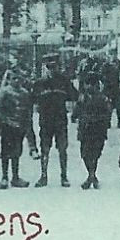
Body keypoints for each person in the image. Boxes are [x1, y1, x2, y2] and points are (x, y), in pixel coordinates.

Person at [33, 53, 79, 187]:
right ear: (46, 67)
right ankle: (43, 176)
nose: (52, 70)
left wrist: (71, 108)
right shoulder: (39, 83)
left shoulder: (64, 81)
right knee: (45, 149)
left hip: (60, 120)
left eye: (54, 67)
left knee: (62, 149)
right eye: (49, 67)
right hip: (46, 121)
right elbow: (33, 101)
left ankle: (64, 176)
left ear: (58, 67)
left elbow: (75, 97)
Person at [0, 62, 34, 188]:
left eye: (19, 79)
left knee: (17, 152)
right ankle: (4, 177)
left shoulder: (25, 93)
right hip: (7, 126)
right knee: (6, 152)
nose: (16, 81)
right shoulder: (4, 92)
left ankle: (15, 177)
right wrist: (7, 121)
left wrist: (25, 124)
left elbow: (28, 110)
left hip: (20, 126)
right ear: (9, 79)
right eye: (14, 79)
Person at [74, 74, 113, 190]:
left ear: (97, 85)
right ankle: (92, 176)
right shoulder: (83, 97)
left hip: (98, 130)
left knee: (95, 154)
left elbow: (108, 113)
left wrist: (103, 122)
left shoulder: (103, 98)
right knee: (85, 154)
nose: (89, 87)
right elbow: (76, 111)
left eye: (92, 84)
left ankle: (90, 177)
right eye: (87, 84)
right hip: (85, 129)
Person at [102, 49, 120, 127]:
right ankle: (108, 122)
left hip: (117, 88)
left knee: (118, 106)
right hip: (108, 88)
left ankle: (119, 121)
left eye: (114, 54)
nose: (113, 56)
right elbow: (103, 76)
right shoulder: (106, 65)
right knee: (109, 106)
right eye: (111, 54)